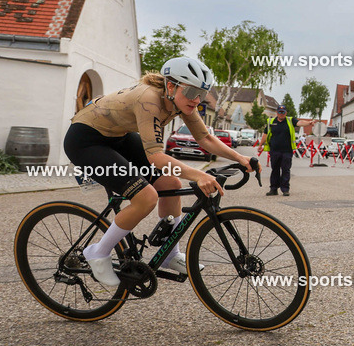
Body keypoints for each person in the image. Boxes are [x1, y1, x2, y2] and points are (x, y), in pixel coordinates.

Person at [64, 57, 255, 287]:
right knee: (146, 197)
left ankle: (170, 255)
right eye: (192, 91)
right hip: (85, 140)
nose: (196, 100)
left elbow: (204, 138)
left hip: (117, 136)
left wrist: (239, 157)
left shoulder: (180, 101)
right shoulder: (150, 100)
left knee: (171, 183)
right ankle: (98, 251)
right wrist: (198, 175)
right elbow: (156, 157)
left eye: (202, 94)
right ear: (172, 85)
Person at [257, 105, 297, 196]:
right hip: (274, 151)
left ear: (286, 113)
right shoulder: (271, 122)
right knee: (275, 169)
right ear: (277, 113)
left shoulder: (290, 120)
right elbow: (265, 134)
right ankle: (273, 189)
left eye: (283, 112)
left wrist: (309, 123)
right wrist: (260, 145)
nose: (281, 114)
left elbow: (300, 123)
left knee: (285, 170)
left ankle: (285, 189)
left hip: (287, 151)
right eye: (279, 112)